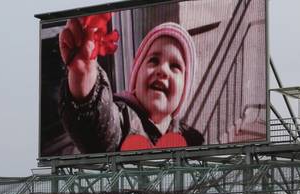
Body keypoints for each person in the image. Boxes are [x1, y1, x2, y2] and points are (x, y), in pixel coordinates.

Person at [59, 18, 204, 153]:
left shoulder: (189, 141)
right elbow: (99, 125)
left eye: (175, 66)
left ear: (184, 91)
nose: (162, 70)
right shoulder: (124, 119)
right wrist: (84, 74)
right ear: (136, 75)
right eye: (153, 60)